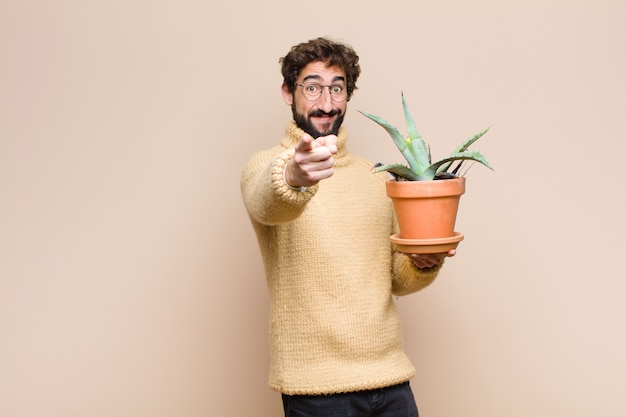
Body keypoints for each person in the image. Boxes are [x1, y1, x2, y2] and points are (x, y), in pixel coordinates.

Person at [240, 37, 455, 417]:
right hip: (316, 390)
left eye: (336, 88)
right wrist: (293, 176)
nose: (325, 103)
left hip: (391, 382)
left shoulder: (376, 178)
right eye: (312, 87)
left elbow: (396, 278)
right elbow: (268, 203)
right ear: (288, 93)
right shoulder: (266, 166)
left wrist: (425, 261)